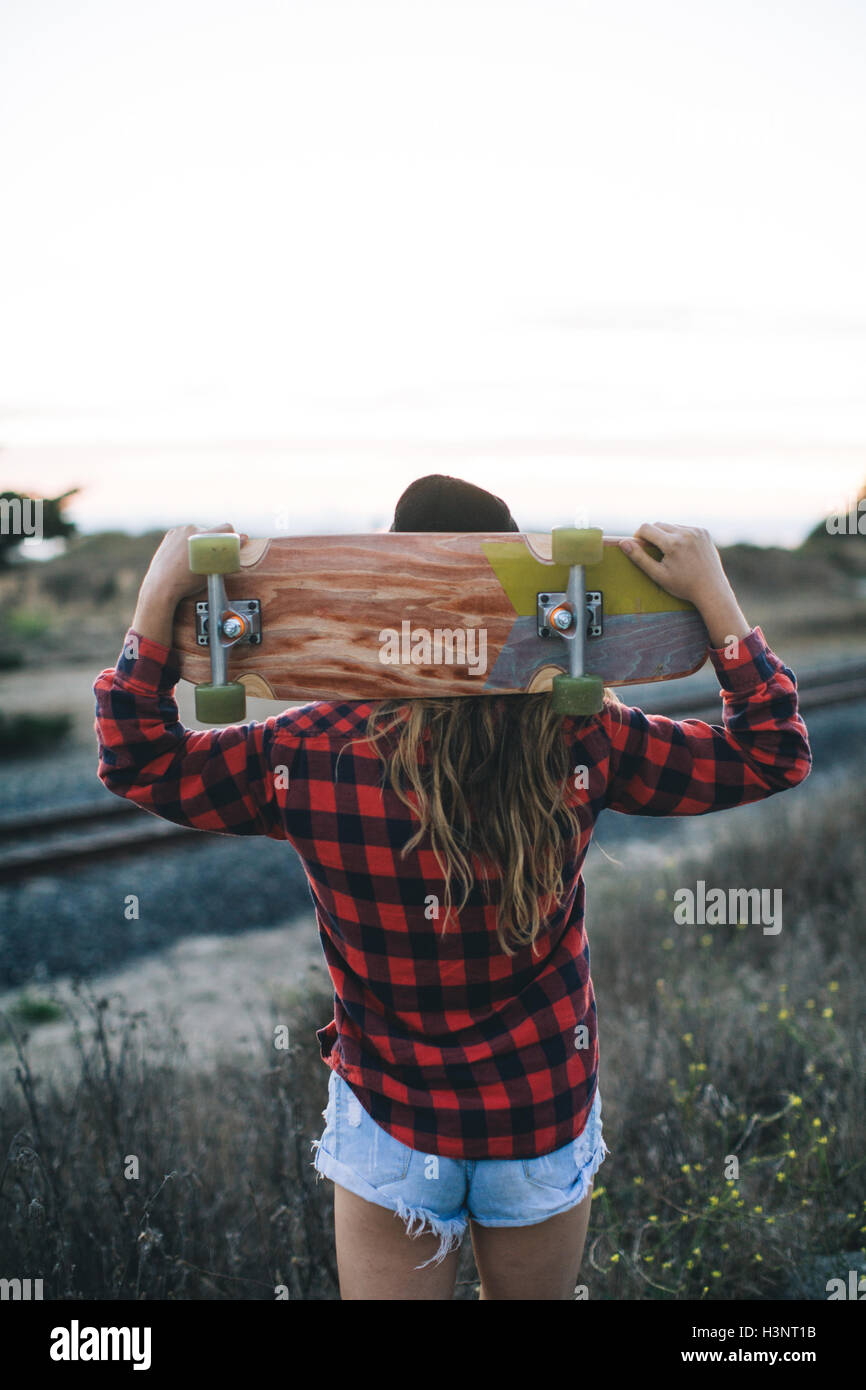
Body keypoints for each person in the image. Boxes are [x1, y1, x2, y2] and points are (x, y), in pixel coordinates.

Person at [93, 474, 812, 1300]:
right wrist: (714, 595)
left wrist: (155, 600)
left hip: (389, 1118)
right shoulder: (581, 735)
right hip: (539, 1108)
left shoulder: (308, 750)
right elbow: (771, 752)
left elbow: (139, 758)